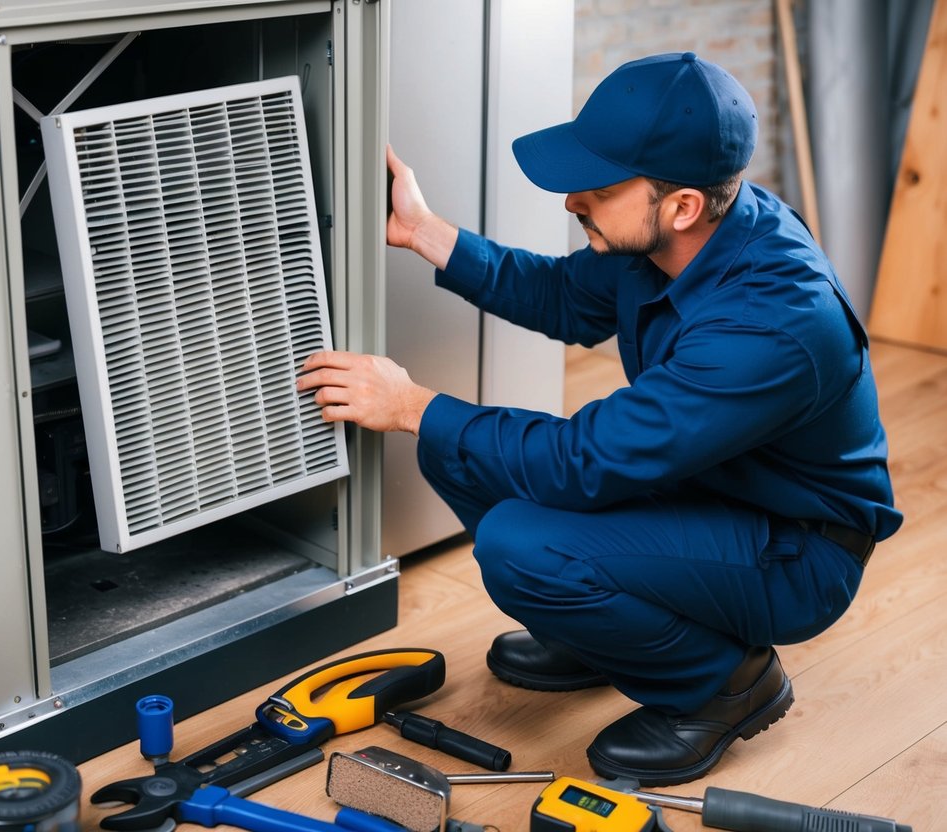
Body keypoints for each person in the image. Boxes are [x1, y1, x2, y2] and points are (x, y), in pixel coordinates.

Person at [296, 52, 902, 786]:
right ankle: (607, 634)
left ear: (677, 204)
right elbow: (562, 297)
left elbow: (583, 461)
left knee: (519, 540)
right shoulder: (683, 229)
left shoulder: (772, 324)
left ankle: (722, 684)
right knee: (456, 452)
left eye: (597, 186)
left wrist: (411, 405)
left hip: (794, 550)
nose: (570, 200)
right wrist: (426, 232)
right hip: (705, 486)